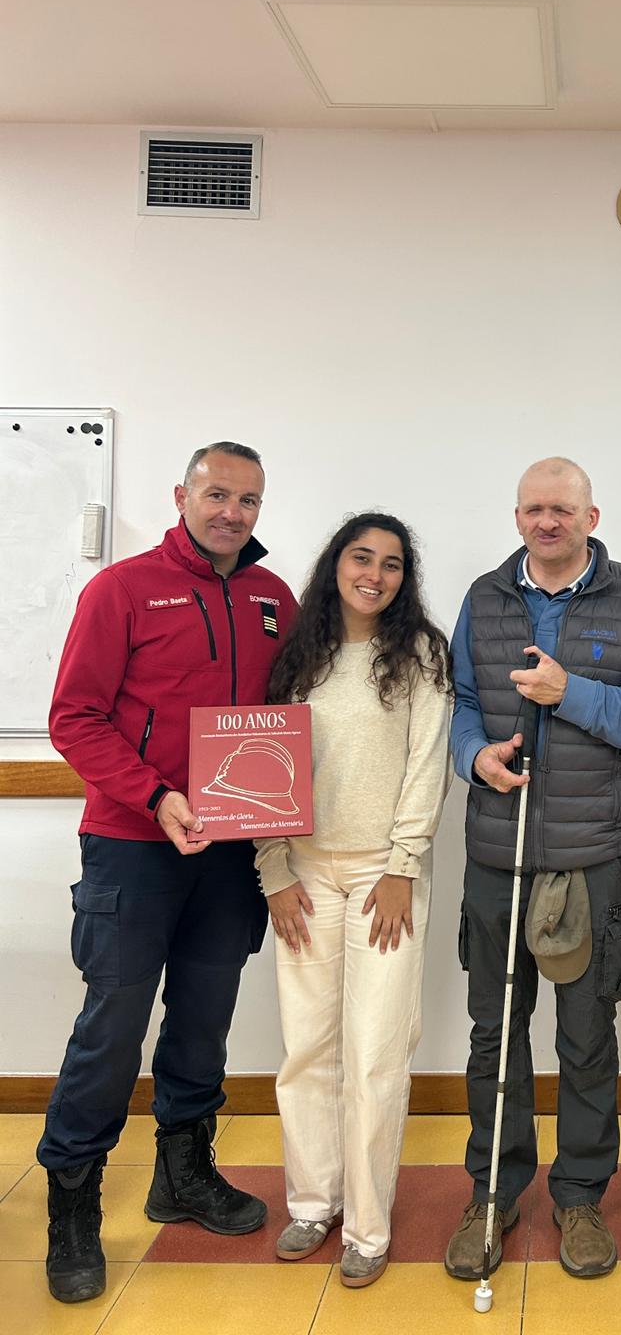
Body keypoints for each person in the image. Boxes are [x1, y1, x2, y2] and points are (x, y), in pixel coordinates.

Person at [39, 441, 297, 1303]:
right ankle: (72, 1200)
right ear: (181, 495)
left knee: (203, 1019)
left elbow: (289, 715)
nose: (232, 513)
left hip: (229, 852)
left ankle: (183, 1173)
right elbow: (74, 718)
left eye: (248, 500)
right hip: (134, 843)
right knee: (113, 1024)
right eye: (217, 494)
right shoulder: (121, 590)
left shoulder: (273, 599)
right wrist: (155, 796)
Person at [443, 456, 621, 1281]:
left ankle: (580, 1196)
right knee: (495, 1033)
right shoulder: (484, 596)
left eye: (563, 509)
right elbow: (462, 703)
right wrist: (475, 757)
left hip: (590, 861)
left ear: (592, 517)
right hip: (497, 853)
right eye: (533, 509)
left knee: (586, 1036)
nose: (547, 522)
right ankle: (493, 1192)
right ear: (517, 517)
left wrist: (568, 693)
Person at [256, 513, 453, 1290]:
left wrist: (403, 865)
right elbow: (259, 761)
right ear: (335, 565)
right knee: (307, 1048)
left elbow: (426, 763)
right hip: (304, 876)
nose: (375, 574)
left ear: (406, 578)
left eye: (392, 564)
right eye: (361, 557)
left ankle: (367, 1228)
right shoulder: (296, 653)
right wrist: (274, 870)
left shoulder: (422, 654)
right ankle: (314, 1203)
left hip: (383, 877)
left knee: (376, 1055)